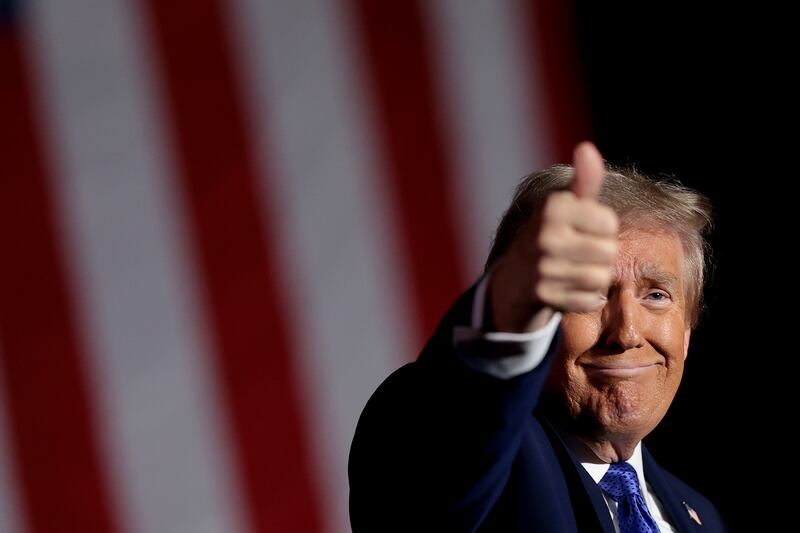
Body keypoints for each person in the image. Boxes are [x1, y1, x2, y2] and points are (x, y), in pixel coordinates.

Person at [348, 142, 727, 532]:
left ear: (686, 331)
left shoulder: (701, 516)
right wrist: (508, 308)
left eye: (655, 295)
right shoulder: (464, 450)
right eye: (589, 292)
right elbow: (455, 426)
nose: (627, 333)